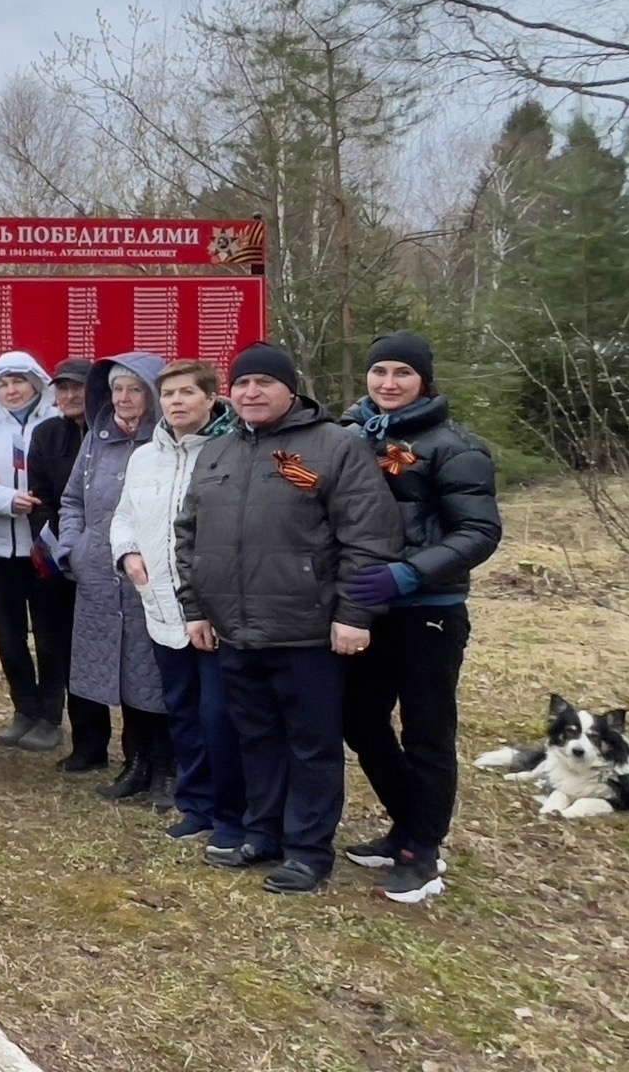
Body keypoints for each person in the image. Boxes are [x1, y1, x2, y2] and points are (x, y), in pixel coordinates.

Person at [174, 342, 402, 895]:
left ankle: (307, 849)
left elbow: (369, 537)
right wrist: (196, 609)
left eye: (264, 383)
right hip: (235, 630)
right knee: (256, 737)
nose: (252, 393)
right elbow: (188, 535)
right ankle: (264, 832)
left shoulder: (334, 447)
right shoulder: (218, 453)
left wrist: (354, 614)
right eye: (243, 384)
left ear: (290, 390)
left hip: (307, 629)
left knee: (311, 743)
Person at [338, 331, 503, 905]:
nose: (388, 383)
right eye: (379, 371)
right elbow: (321, 496)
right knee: (359, 720)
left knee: (428, 731)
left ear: (424, 382)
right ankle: (409, 826)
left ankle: (422, 852)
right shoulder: (352, 436)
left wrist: (411, 573)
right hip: (366, 608)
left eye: (402, 374)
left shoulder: (455, 447)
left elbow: (479, 532)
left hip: (427, 611)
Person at [109, 359, 247, 844]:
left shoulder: (233, 450)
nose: (176, 402)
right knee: (183, 710)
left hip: (214, 611)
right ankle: (197, 803)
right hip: (161, 606)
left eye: (187, 392)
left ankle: (233, 811)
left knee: (219, 714)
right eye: (168, 394)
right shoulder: (146, 456)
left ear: (211, 398)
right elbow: (124, 515)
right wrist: (127, 555)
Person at [61, 355, 174, 804]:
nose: (124, 399)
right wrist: (75, 547)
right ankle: (136, 762)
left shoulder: (168, 443)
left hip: (152, 578)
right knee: (121, 673)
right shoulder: (97, 441)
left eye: (134, 389)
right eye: (116, 390)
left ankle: (169, 768)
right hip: (101, 579)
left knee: (157, 675)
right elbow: (72, 500)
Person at [0, 351, 67, 754]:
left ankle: (50, 715)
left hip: (43, 547)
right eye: (3, 383)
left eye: (19, 381)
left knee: (48, 634)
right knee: (8, 636)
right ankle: (23, 708)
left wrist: (28, 500)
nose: (11, 390)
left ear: (37, 383)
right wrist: (6, 497)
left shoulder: (54, 424)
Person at [29, 357, 103, 770]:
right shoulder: (46, 435)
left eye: (78, 387)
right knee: (67, 651)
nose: (71, 396)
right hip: (60, 560)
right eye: (63, 389)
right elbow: (42, 498)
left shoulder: (110, 434)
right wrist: (59, 549)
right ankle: (88, 744)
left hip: (111, 559)